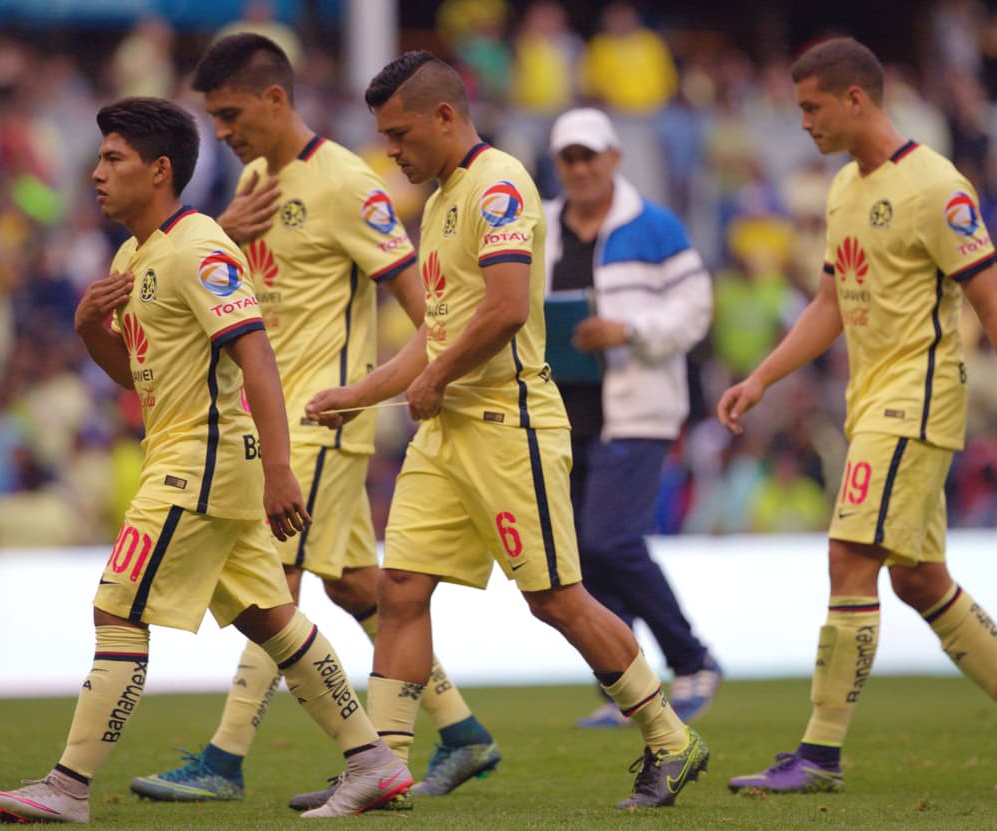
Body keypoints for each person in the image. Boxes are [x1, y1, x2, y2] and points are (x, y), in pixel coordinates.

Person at [0, 97, 410, 824]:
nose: (97, 173)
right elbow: (140, 376)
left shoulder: (198, 245)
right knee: (272, 618)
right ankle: (372, 759)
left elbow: (256, 352)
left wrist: (279, 466)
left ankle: (68, 786)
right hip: (191, 454)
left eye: (113, 158)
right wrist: (90, 330)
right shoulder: (134, 255)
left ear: (160, 169)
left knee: (116, 608)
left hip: (201, 459)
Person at [307, 51, 709, 810]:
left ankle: (670, 735)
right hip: (449, 427)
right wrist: (360, 392)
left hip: (507, 423)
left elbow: (506, 308)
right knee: (401, 588)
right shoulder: (440, 201)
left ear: (446, 116)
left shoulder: (500, 184)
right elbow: (439, 332)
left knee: (558, 599)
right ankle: (382, 766)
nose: (391, 150)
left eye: (399, 133)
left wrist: (433, 378)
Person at [125, 34, 498, 810]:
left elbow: (420, 303)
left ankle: (226, 757)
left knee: (274, 583)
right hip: (281, 419)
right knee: (358, 586)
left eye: (230, 114)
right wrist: (225, 224)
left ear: (275, 99)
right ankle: (462, 732)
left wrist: (420, 380)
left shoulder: (345, 183)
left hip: (320, 419)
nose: (223, 132)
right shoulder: (258, 178)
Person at [718, 37, 997, 795]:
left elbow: (994, 306)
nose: (805, 125)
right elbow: (830, 303)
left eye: (813, 108)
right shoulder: (843, 190)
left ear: (857, 99)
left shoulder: (937, 188)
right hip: (872, 403)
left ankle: (818, 754)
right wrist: (760, 376)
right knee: (918, 578)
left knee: (849, 559)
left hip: (916, 400)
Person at [542, 107, 721, 729]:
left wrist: (630, 329)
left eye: (590, 155)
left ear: (614, 157)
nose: (581, 168)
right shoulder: (541, 228)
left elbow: (696, 309)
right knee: (589, 558)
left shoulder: (656, 226)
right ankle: (632, 688)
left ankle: (692, 658)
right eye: (570, 157)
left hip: (638, 409)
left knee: (608, 540)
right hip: (562, 413)